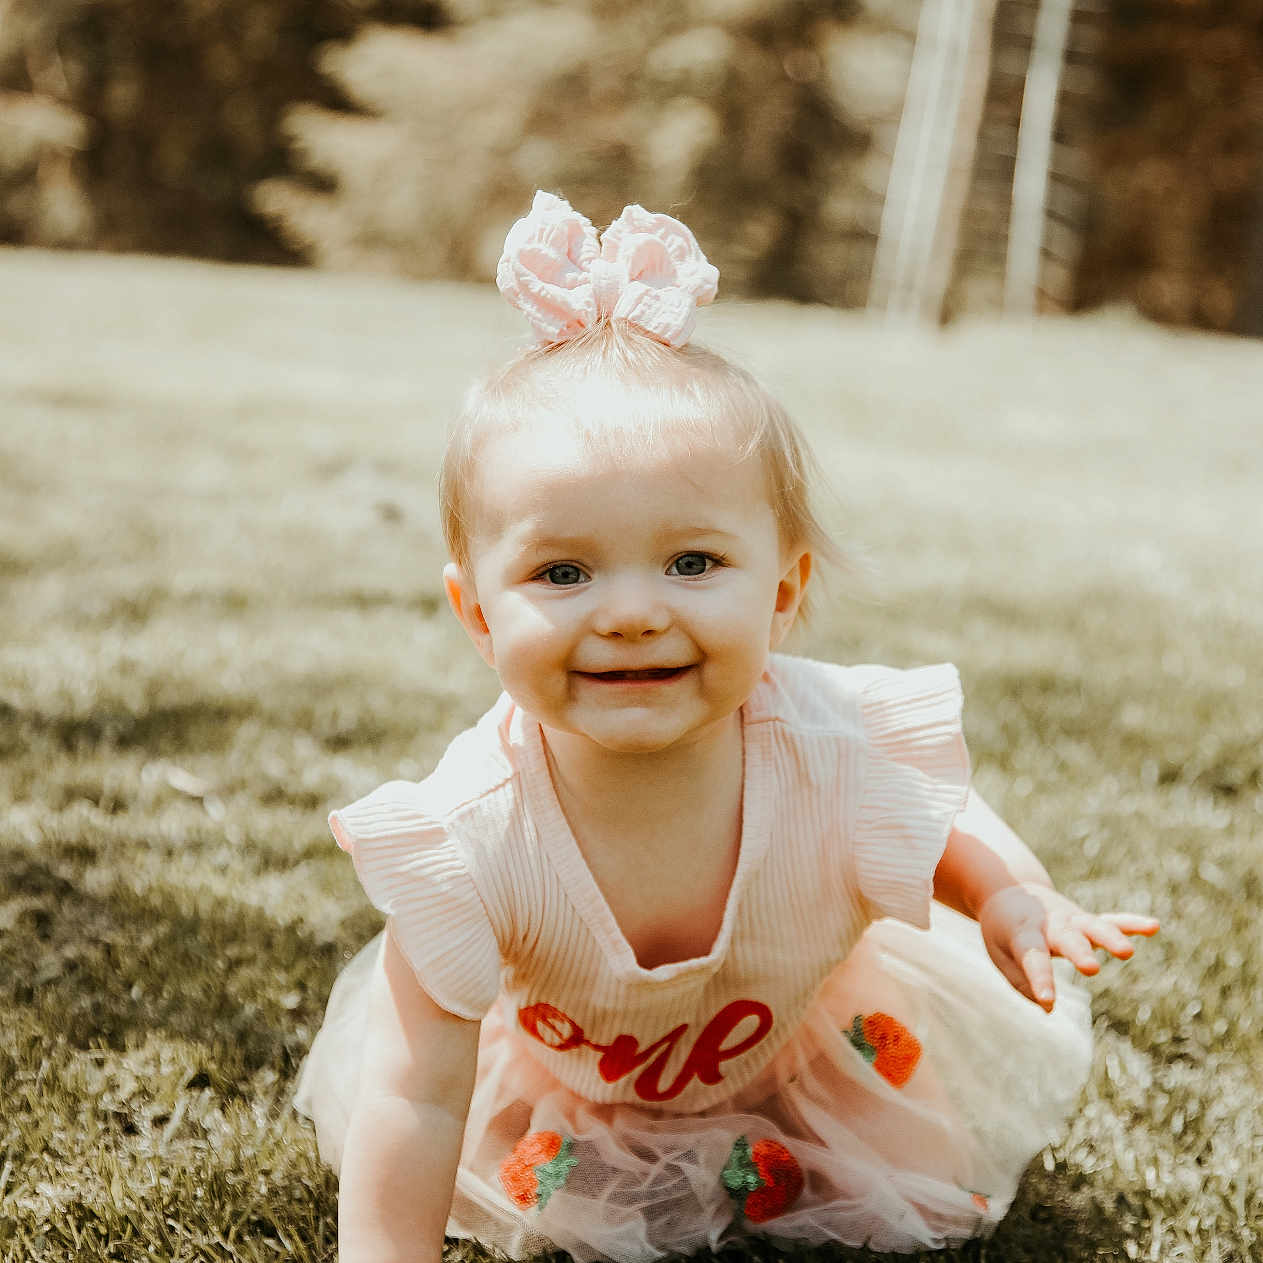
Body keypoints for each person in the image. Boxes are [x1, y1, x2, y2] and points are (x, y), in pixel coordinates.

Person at [294, 192, 1158, 1263]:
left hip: (798, 1044)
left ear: (785, 592)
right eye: (563, 571)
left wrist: (1007, 894)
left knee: (921, 1199)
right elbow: (416, 1094)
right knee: (538, 1184)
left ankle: (808, 1133)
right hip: (574, 1071)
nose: (632, 610)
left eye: (693, 562)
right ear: (477, 613)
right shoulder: (469, 838)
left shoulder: (824, 751)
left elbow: (932, 821)